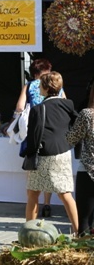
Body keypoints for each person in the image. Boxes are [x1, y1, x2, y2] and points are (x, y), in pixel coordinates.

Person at [23, 71, 78, 234]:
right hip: (63, 153)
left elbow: (32, 137)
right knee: (65, 194)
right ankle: (78, 232)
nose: (39, 87)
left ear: (45, 88)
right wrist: (68, 141)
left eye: (40, 85)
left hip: (43, 155)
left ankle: (29, 233)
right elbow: (77, 126)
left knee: (33, 194)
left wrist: (29, 154)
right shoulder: (68, 105)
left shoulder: (38, 109)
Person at [14, 58, 65, 217]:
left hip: (33, 131)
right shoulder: (55, 86)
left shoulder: (28, 85)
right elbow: (64, 102)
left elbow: (20, 107)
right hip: (52, 131)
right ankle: (47, 204)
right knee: (49, 170)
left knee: (32, 167)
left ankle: (31, 205)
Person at [67, 83, 94, 236]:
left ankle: (84, 254)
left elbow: (71, 138)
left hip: (88, 169)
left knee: (84, 219)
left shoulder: (87, 114)